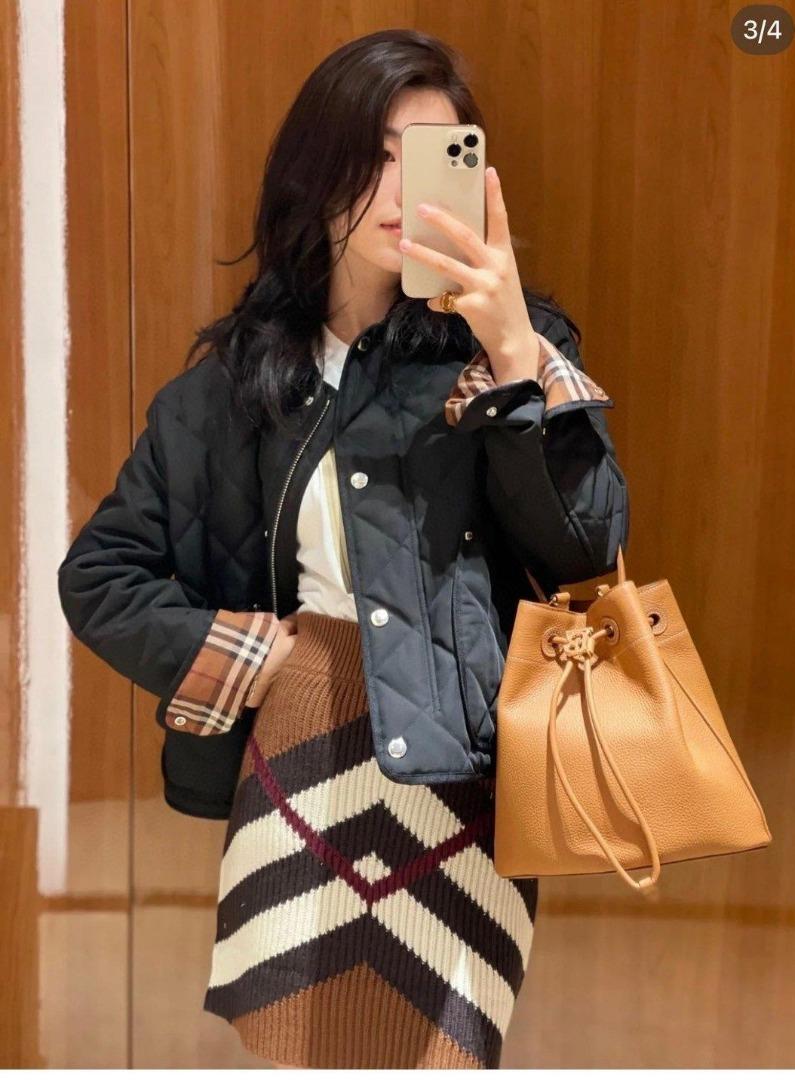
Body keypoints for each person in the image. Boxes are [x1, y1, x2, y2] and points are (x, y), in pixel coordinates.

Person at [58, 28, 628, 1070]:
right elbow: (99, 578)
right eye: (375, 156)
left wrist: (513, 349)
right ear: (316, 174)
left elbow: (587, 549)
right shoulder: (230, 389)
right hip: (298, 758)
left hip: (465, 771)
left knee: (441, 1053)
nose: (403, 190)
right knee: (294, 1049)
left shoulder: (506, 356)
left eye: (434, 157)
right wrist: (264, 660)